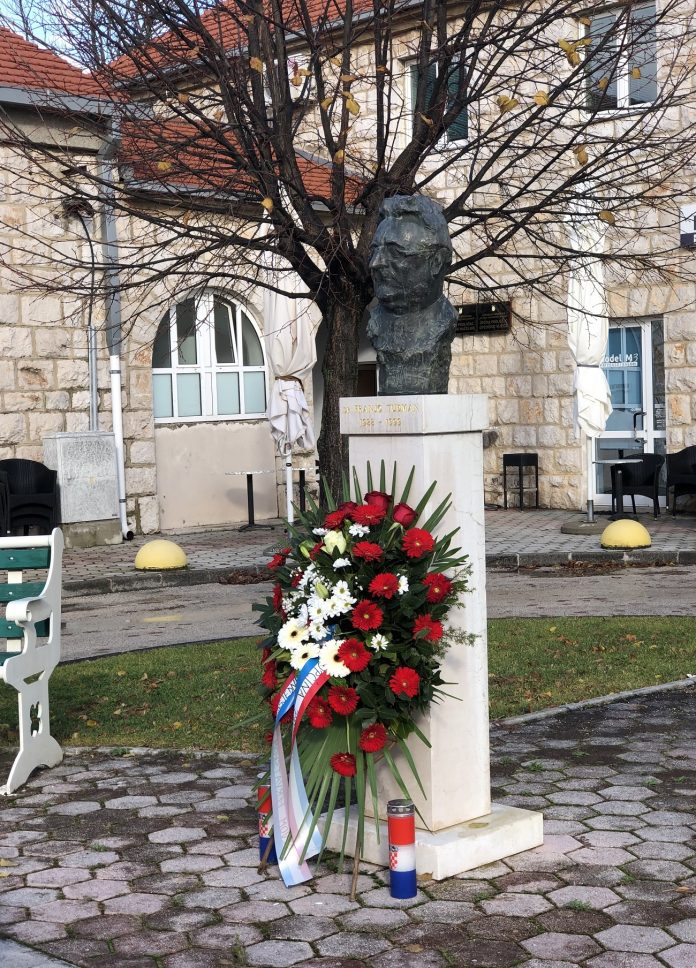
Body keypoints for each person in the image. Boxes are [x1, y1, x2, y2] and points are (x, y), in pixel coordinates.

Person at [367, 195, 457, 394]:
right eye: (374, 252)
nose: (375, 263)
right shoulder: (376, 323)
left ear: (436, 262)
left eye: (395, 252)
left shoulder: (442, 323)